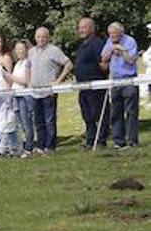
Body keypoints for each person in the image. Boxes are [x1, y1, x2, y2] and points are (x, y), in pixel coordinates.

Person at [28, 26, 72, 153]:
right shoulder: (31, 52)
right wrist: (29, 82)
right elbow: (28, 68)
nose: (41, 39)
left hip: (49, 92)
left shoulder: (54, 50)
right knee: (38, 121)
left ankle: (50, 146)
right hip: (35, 92)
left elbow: (68, 64)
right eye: (38, 36)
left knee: (49, 120)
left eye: (44, 36)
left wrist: (58, 81)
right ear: (35, 38)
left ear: (48, 37)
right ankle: (41, 146)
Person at [101, 22, 140, 148]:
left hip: (129, 79)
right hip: (115, 80)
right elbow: (103, 58)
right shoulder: (109, 42)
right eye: (110, 34)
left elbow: (131, 60)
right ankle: (119, 141)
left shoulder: (130, 41)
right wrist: (112, 50)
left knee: (131, 111)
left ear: (121, 32)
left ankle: (132, 141)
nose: (112, 36)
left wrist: (122, 51)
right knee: (116, 112)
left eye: (114, 33)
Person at [73, 17, 109, 149]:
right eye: (79, 27)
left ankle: (100, 141)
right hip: (83, 86)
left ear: (92, 28)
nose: (80, 30)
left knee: (98, 113)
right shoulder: (82, 45)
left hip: (96, 85)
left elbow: (103, 64)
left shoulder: (97, 43)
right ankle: (90, 140)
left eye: (84, 27)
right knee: (87, 115)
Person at [10, 40, 35, 155]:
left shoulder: (27, 62)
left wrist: (9, 76)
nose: (19, 51)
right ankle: (23, 145)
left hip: (24, 95)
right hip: (16, 95)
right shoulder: (17, 64)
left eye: (21, 49)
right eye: (17, 49)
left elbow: (26, 81)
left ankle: (29, 147)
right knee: (20, 123)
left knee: (27, 122)